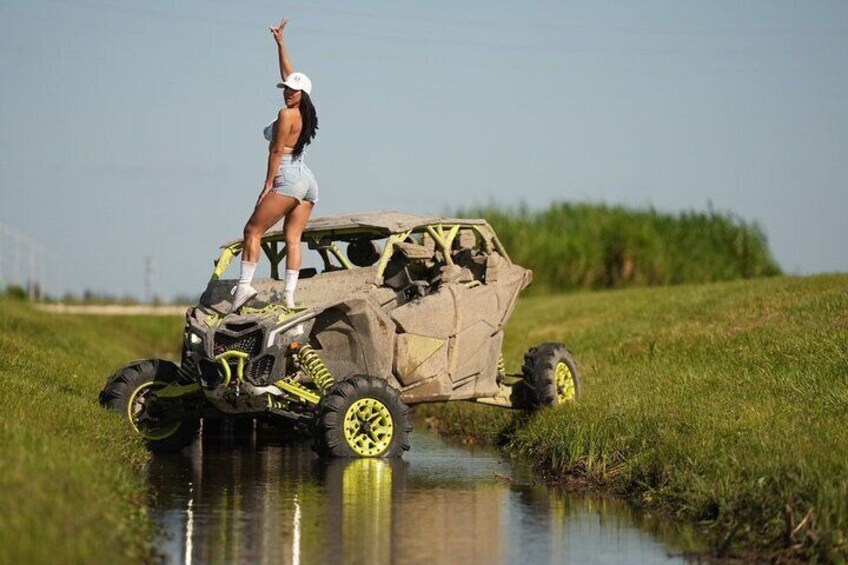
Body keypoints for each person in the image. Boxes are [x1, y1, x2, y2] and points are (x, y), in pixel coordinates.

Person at [230, 18, 319, 313]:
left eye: (291, 91)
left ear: (300, 95)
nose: (286, 92)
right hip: (307, 180)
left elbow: (276, 150)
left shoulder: (286, 114)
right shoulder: (305, 113)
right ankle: (289, 297)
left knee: (252, 231)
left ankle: (243, 288)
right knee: (292, 239)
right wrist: (280, 44)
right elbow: (289, 74)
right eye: (285, 89)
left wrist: (268, 184)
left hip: (287, 176)